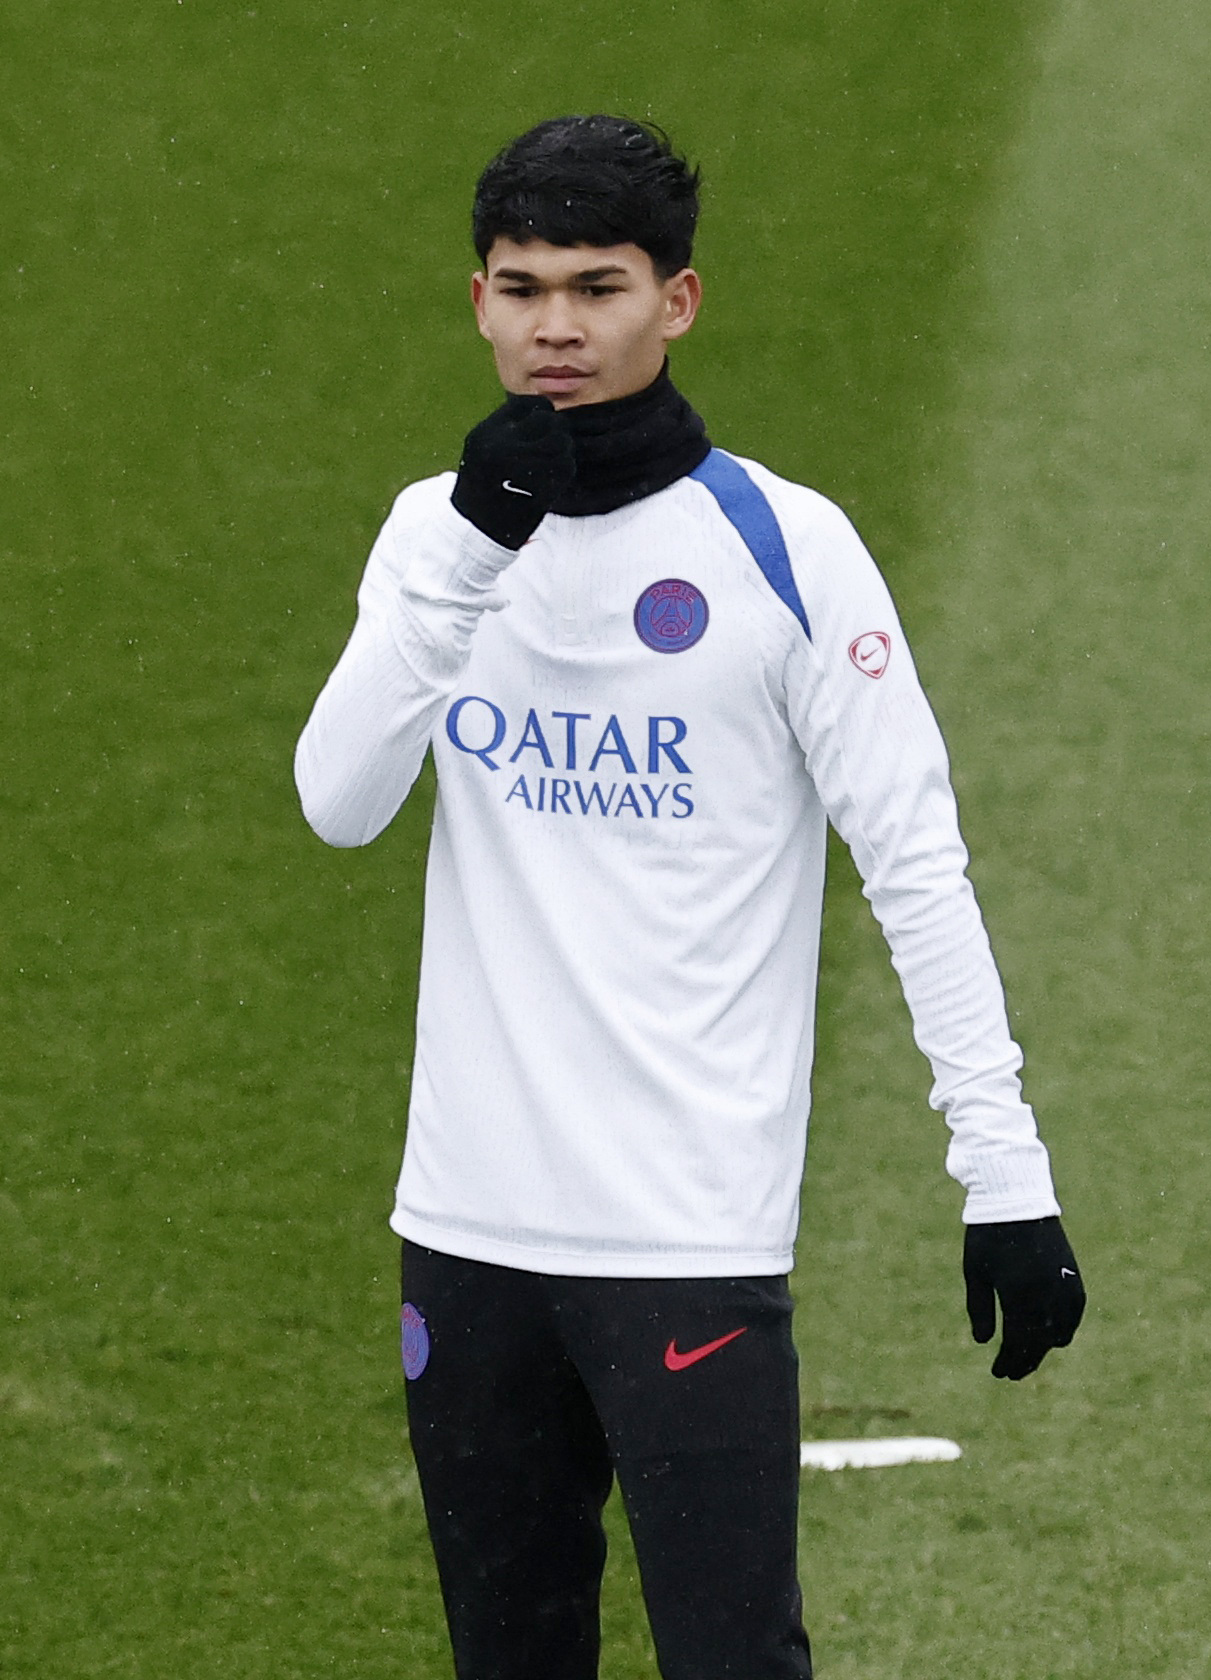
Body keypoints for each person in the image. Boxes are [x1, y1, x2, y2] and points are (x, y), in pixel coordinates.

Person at [295, 116, 1085, 1678]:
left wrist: (1005, 1173)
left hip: (684, 1236)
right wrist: (468, 555)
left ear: (680, 300)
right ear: (478, 301)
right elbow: (339, 804)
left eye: (599, 285)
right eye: (523, 288)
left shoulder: (786, 550)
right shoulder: (431, 535)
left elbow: (913, 860)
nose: (558, 327)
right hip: (464, 1231)